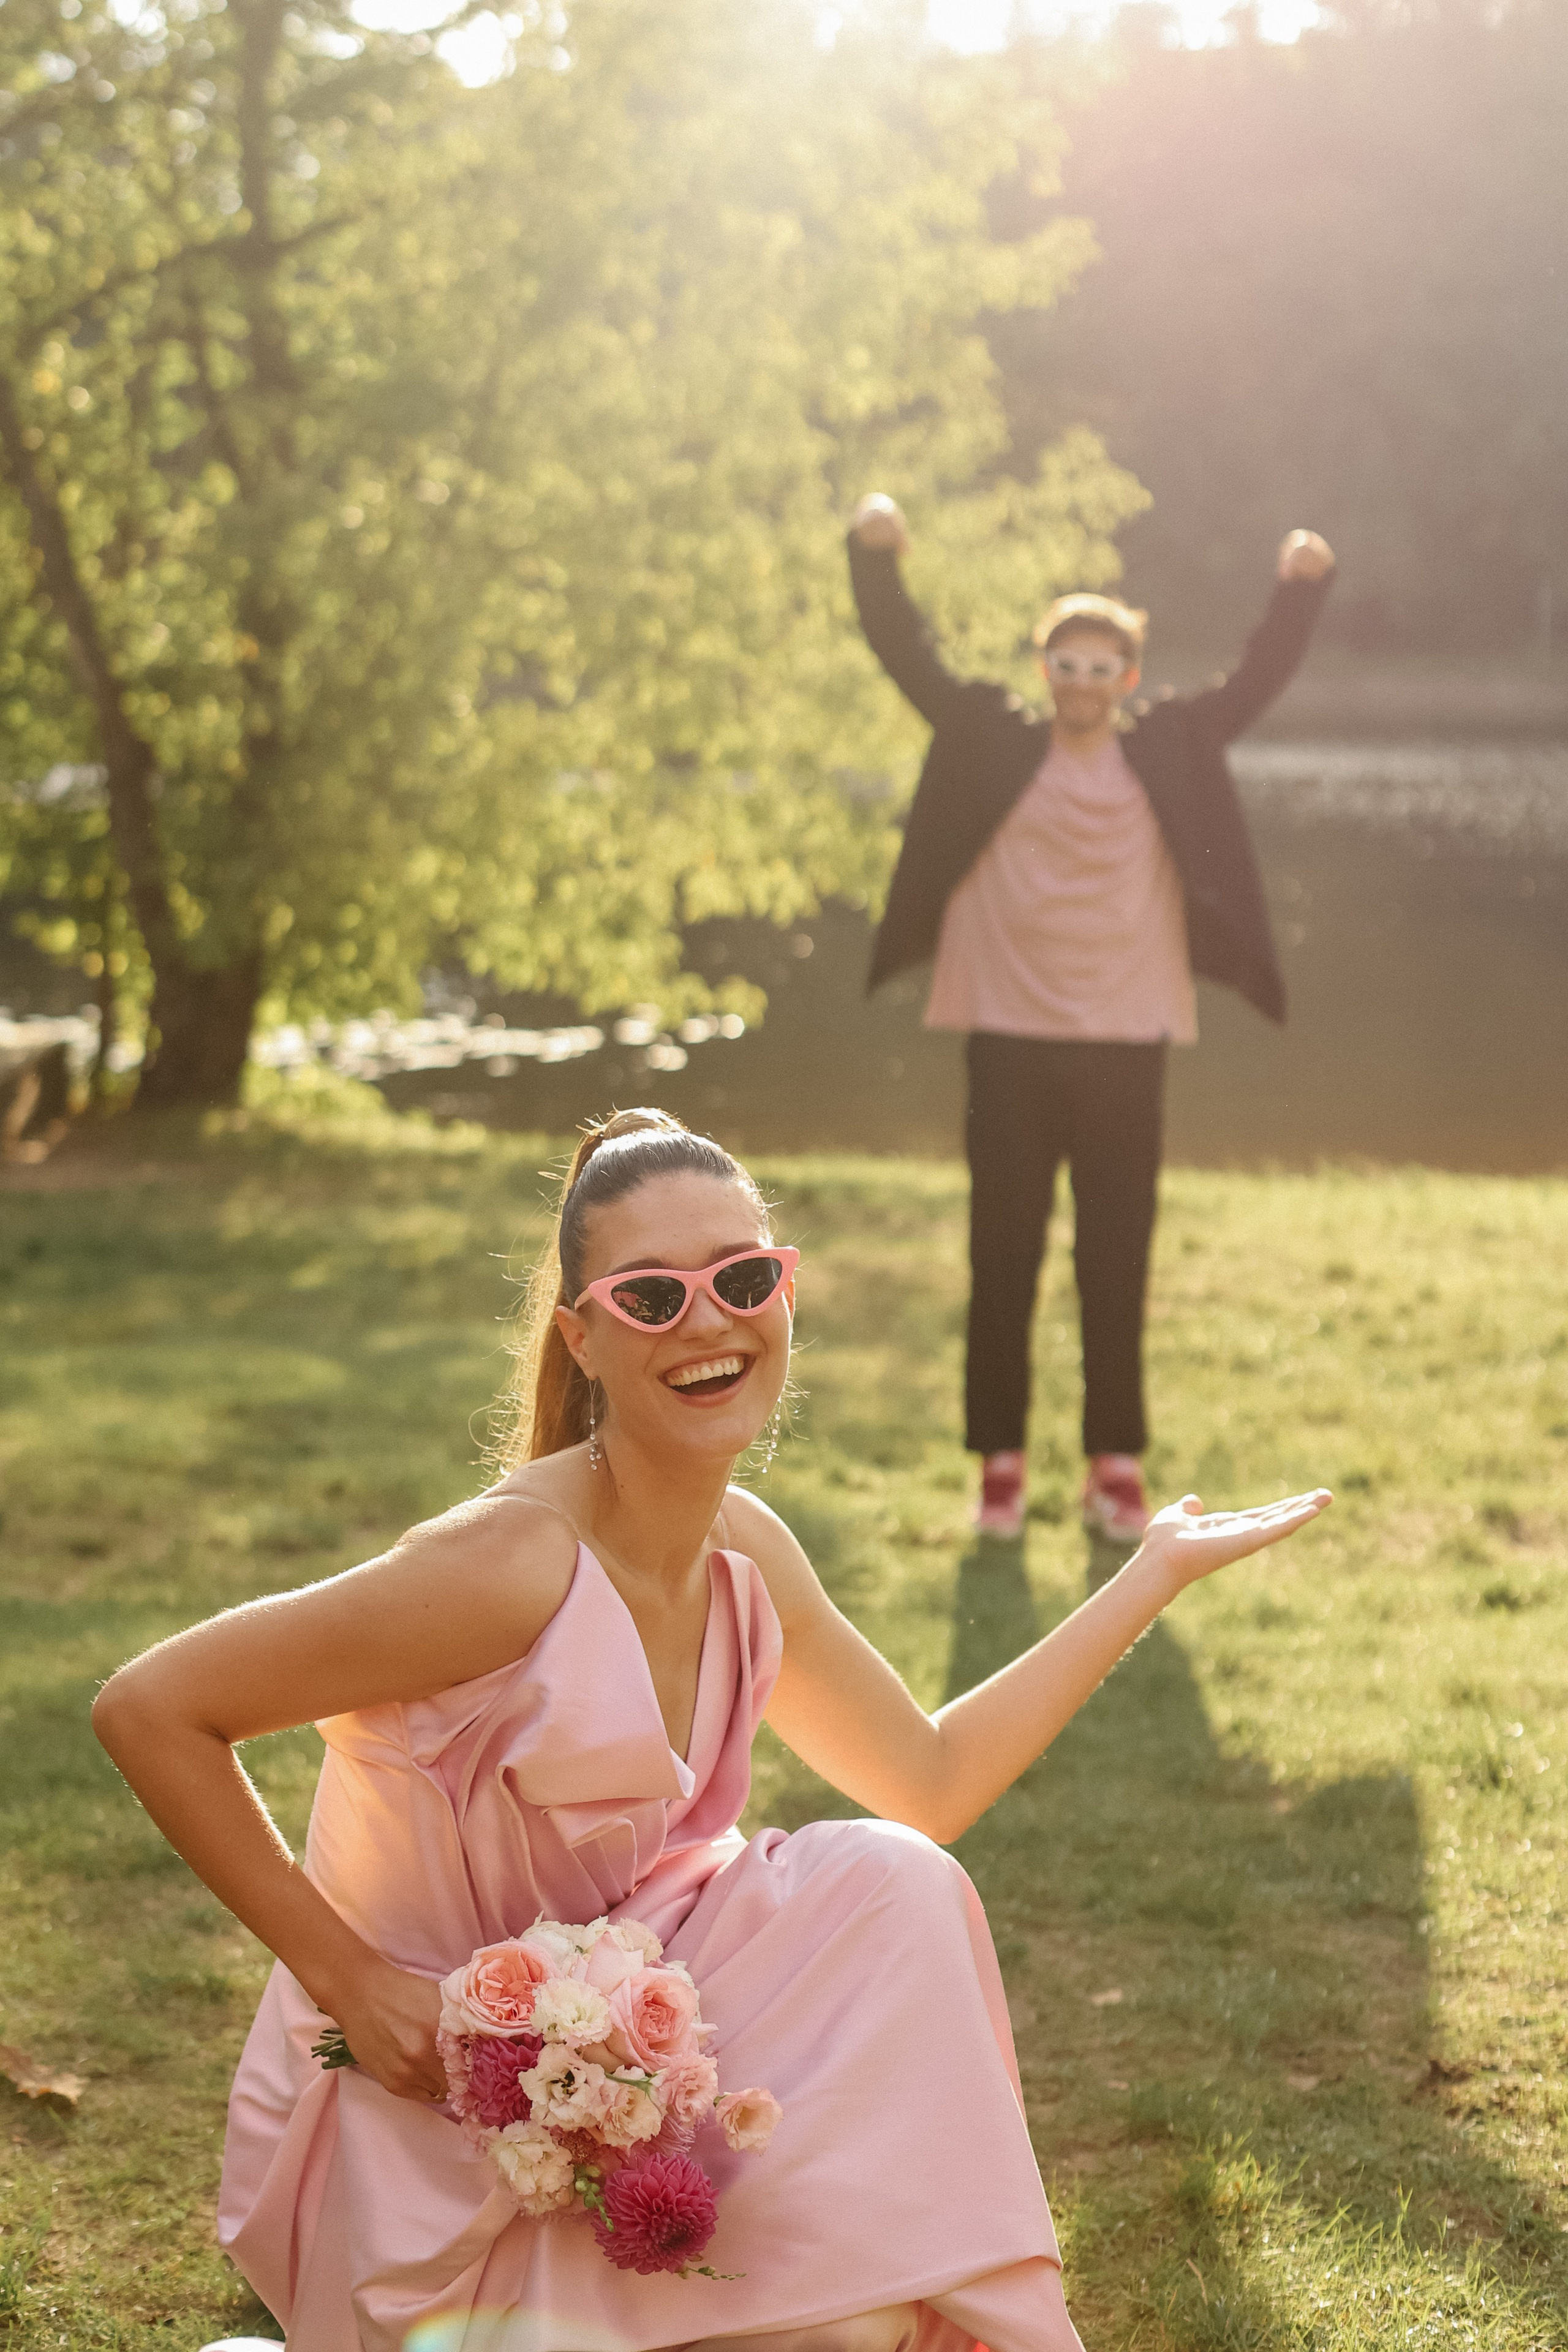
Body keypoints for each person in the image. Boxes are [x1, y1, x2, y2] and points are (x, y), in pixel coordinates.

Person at [92, 1107, 1331, 2352]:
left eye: (742, 1279)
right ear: (581, 1335)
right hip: (417, 2108)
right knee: (818, 2325)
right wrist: (352, 1982)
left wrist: (1147, 1574)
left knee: (891, 1885)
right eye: (650, 1297)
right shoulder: (508, 1565)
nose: (708, 1321)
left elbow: (928, 1780)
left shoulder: (744, 1550)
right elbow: (152, 1708)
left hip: (625, 2064)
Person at [847, 499, 1336, 1544]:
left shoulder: (1172, 748)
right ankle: (1001, 1472)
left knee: (1117, 1255)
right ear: (1045, 674)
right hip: (1009, 1040)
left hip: (1127, 1044)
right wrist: (875, 555)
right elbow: (906, 654)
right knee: (1004, 1254)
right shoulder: (988, 741)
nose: (1080, 683)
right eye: (1064, 666)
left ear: (1127, 677)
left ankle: (1115, 1469)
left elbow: (1257, 678)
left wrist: (1301, 588)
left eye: (1099, 667)